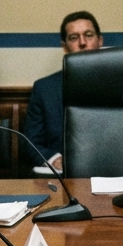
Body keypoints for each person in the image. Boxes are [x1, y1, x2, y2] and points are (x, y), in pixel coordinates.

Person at [26, 11, 104, 173]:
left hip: (109, 173)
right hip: (64, 177)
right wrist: (54, 159)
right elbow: (31, 142)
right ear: (64, 46)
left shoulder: (120, 85)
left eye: (88, 35)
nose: (82, 43)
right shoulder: (44, 89)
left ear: (100, 41)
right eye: (74, 38)